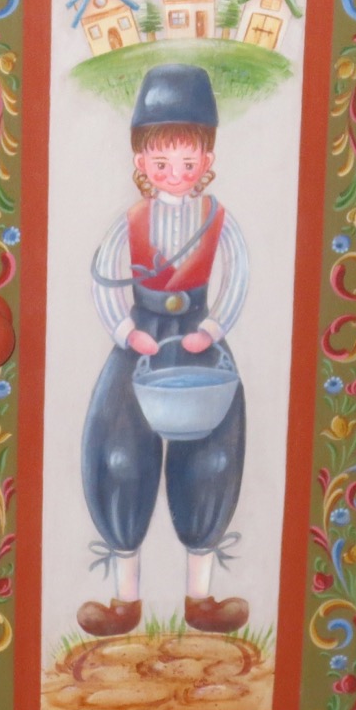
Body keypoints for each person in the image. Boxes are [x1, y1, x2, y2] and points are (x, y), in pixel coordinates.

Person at [78, 63, 248, 637]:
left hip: (197, 342)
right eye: (161, 164)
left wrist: (214, 329)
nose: (175, 174)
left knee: (212, 459)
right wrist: (127, 332)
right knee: (120, 455)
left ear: (207, 160)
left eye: (187, 163)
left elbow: (238, 275)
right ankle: (125, 600)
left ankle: (200, 598)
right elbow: (103, 278)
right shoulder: (130, 221)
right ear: (140, 163)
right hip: (143, 344)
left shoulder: (217, 219)